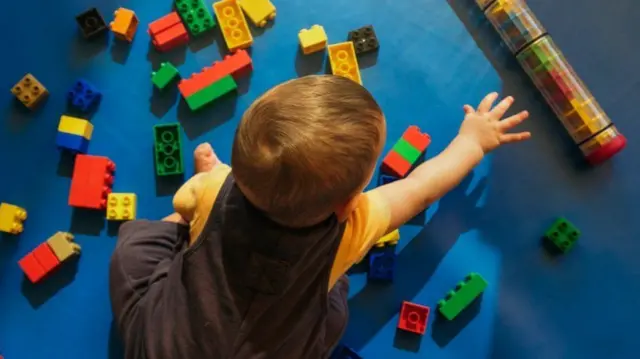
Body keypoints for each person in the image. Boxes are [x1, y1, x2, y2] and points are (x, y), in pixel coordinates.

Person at [109, 75, 530, 359]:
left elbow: (184, 205)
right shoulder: (354, 226)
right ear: (347, 204)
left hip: (161, 347)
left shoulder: (216, 187)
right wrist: (473, 141)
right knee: (328, 316)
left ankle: (198, 224)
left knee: (134, 250)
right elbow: (420, 190)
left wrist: (204, 195)